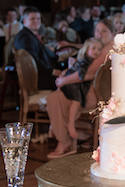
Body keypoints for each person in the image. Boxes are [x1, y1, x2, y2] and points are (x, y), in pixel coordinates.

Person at [46, 19, 116, 159]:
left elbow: (88, 73)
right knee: (59, 96)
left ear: (112, 33)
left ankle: (64, 141)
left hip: (97, 94)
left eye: (104, 31)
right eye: (97, 30)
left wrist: (63, 80)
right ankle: (81, 135)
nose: (99, 34)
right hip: (93, 90)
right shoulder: (102, 46)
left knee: (55, 98)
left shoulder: (108, 48)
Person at [59, 37, 104, 142]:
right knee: (76, 102)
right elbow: (81, 76)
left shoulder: (88, 61)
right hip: (72, 86)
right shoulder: (83, 62)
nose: (96, 51)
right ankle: (70, 123)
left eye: (99, 49)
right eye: (93, 48)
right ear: (86, 49)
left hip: (75, 86)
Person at [13, 7, 61, 90]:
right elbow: (32, 60)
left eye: (38, 18)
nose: (36, 21)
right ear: (25, 21)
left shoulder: (30, 35)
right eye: (32, 19)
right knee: (72, 81)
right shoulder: (24, 37)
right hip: (38, 79)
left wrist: (59, 57)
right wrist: (52, 71)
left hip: (43, 74)